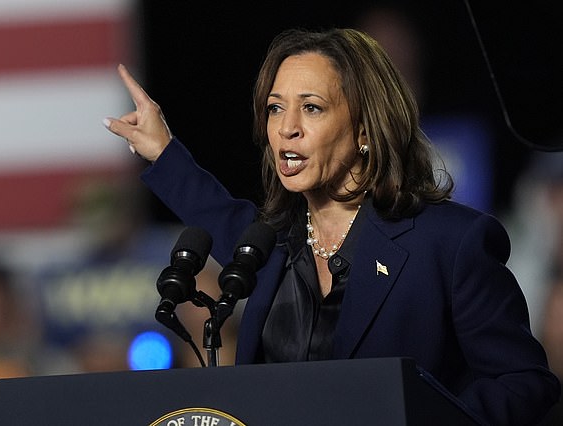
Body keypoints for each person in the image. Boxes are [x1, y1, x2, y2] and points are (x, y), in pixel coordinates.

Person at [103, 28, 560, 425]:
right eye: (276, 109)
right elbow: (213, 209)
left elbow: (523, 383)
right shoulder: (266, 246)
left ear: (364, 128)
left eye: (312, 108)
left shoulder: (450, 243)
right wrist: (161, 148)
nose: (287, 129)